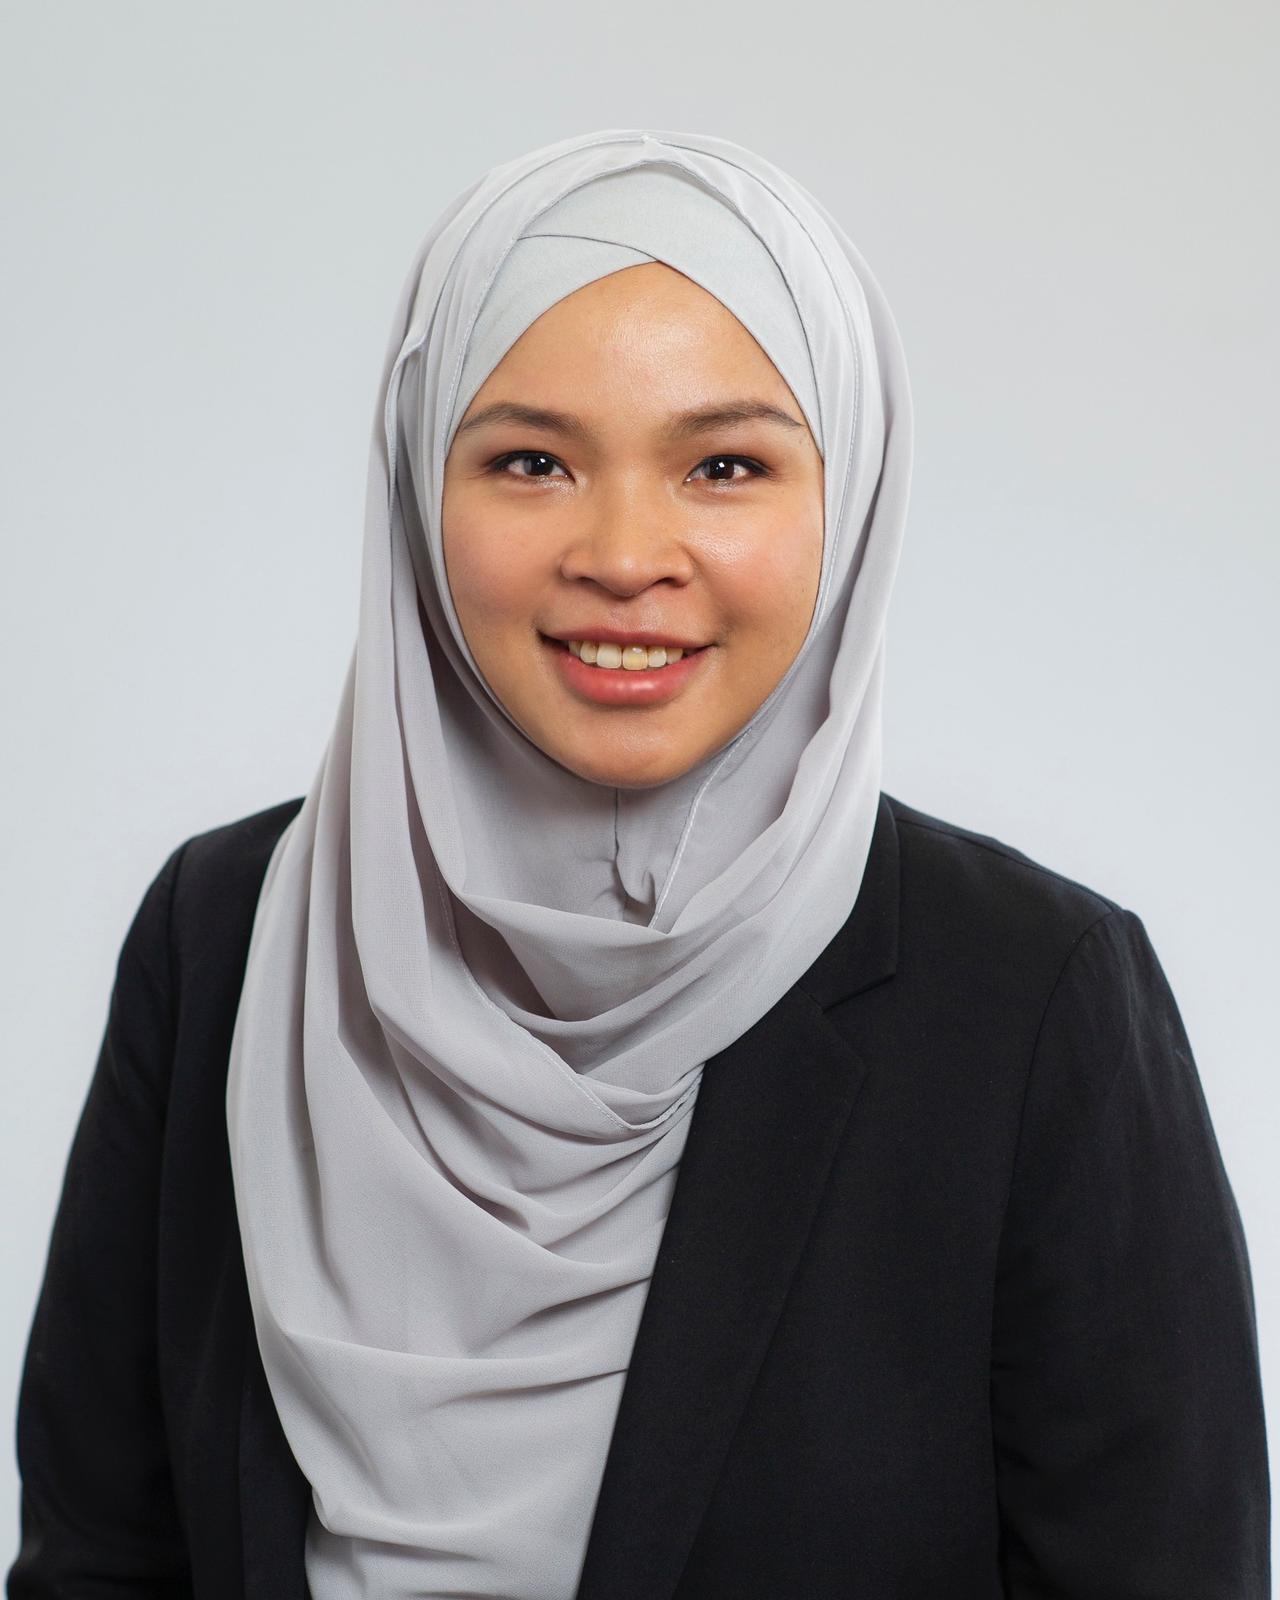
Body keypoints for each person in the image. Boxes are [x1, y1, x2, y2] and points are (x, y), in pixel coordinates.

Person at [7, 127, 1269, 1600]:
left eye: (725, 465)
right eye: (531, 461)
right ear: (420, 485)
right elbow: (101, 1557)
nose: (623, 553)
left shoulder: (1033, 997)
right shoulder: (226, 935)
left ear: (848, 498)